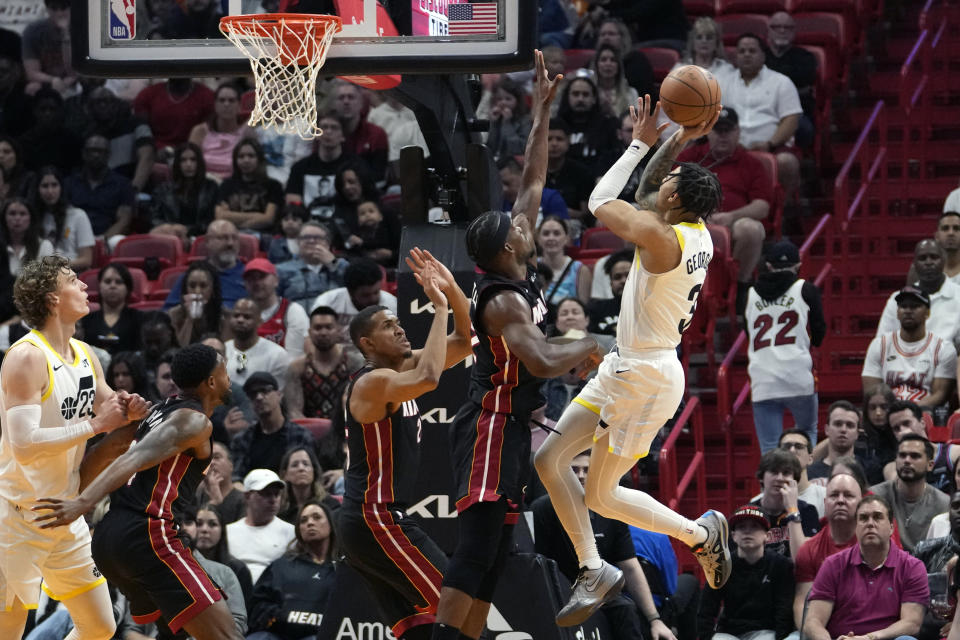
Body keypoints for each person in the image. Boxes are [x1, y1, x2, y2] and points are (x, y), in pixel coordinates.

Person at [533, 94, 730, 627]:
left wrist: (640, 143)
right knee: (549, 461)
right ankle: (593, 567)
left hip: (645, 375)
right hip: (626, 366)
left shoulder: (662, 239)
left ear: (674, 198)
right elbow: (649, 192)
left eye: (670, 181)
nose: (660, 184)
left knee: (600, 492)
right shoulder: (691, 230)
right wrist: (678, 138)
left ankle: (699, 533)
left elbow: (602, 201)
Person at [433, 51, 605, 640]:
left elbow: (533, 180)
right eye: (520, 228)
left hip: (512, 426)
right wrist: (594, 339)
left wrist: (541, 111)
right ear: (508, 251)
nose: (527, 222)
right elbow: (540, 358)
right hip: (489, 423)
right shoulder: (503, 299)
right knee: (478, 544)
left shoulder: (515, 256)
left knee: (499, 548)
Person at [32, 343, 239, 639]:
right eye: (225, 372)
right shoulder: (193, 421)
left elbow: (107, 449)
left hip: (109, 539)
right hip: (149, 535)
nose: (229, 378)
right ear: (210, 382)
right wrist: (80, 503)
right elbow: (132, 458)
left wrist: (72, 492)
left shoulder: (154, 412)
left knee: (174, 634)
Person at [0, 255, 148, 639]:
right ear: (52, 298)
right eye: (73, 280)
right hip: (16, 518)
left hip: (64, 514)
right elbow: (25, 445)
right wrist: (98, 425)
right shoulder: (27, 357)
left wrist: (129, 408)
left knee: (100, 627)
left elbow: (108, 406)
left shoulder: (84, 355)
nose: (85, 286)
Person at [340, 246, 472, 640]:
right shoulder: (372, 381)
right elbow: (431, 378)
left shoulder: (402, 368)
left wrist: (452, 291)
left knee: (418, 630)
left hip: (372, 518)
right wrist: (438, 308)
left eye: (398, 322)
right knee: (456, 608)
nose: (399, 328)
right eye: (388, 326)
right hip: (374, 516)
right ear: (366, 344)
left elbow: (466, 342)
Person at [532, 451, 679, 640]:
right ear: (563, 473)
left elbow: (631, 568)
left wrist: (655, 619)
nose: (581, 475)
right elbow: (538, 564)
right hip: (557, 590)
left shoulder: (611, 511)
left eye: (586, 470)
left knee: (626, 608)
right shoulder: (542, 509)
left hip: (600, 593)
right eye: (574, 470)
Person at [675, 107, 771, 296]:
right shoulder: (688, 158)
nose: (723, 136)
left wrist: (731, 216)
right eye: (718, 131)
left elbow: (763, 206)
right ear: (707, 132)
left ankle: (740, 288)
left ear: (738, 132)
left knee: (751, 229)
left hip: (733, 222)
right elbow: (669, 193)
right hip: (691, 221)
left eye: (728, 131)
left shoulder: (751, 163)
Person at [804, 496, 928, 640]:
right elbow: (813, 622)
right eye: (863, 518)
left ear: (891, 528)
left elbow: (912, 623)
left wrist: (869, 638)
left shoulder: (912, 567)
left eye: (877, 517)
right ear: (856, 528)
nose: (870, 523)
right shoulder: (833, 565)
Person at [745, 240, 826, 452]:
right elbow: (819, 331)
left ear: (768, 265)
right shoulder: (806, 289)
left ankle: (772, 484)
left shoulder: (749, 294)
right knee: (807, 432)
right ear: (798, 265)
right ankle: (806, 481)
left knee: (770, 447)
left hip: (762, 377)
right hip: (797, 374)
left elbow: (749, 333)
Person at [718, 33, 803, 212]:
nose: (747, 54)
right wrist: (731, 143)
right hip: (731, 147)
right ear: (735, 56)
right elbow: (715, 118)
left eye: (752, 50)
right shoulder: (723, 83)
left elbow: (791, 119)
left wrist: (770, 143)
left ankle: (783, 212)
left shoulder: (781, 82)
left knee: (787, 161)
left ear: (763, 55)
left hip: (773, 147)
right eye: (742, 51)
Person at [697, 505, 795, 640]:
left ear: (767, 535)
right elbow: (706, 611)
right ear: (734, 536)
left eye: (754, 526)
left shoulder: (781, 565)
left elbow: (784, 612)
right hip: (729, 633)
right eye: (742, 527)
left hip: (766, 632)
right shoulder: (720, 565)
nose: (747, 532)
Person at [246, 501, 337, 640]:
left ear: (331, 524)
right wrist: (278, 617)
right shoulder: (280, 566)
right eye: (303, 520)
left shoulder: (342, 570)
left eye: (317, 517)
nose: (310, 523)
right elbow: (257, 607)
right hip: (278, 634)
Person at [792, 470, 865, 631]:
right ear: (825, 503)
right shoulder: (809, 549)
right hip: (819, 629)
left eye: (848, 495)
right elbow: (802, 602)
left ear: (861, 503)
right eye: (834, 496)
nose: (840, 501)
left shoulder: (872, 544)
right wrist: (810, 634)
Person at [863, 285, 957, 408]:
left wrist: (908, 411)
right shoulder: (879, 345)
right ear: (897, 312)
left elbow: (939, 395)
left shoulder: (943, 348)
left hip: (926, 415)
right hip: (887, 415)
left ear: (927, 313)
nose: (908, 310)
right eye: (903, 306)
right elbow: (871, 392)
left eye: (914, 306)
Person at [870, 434, 950, 553]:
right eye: (902, 455)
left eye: (915, 456)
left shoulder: (943, 503)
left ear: (930, 465)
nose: (907, 460)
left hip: (926, 569)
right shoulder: (874, 496)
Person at [285, 305, 364, 420]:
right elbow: (295, 413)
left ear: (338, 330)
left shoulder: (354, 363)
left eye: (328, 327)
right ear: (310, 332)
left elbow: (359, 406)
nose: (323, 333)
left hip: (346, 430)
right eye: (318, 328)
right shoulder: (297, 368)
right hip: (310, 433)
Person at [877, 239, 960, 349]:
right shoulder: (896, 300)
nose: (928, 262)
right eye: (922, 258)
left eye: (934, 257)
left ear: (943, 261)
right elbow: (882, 346)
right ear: (914, 264)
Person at [229, 372, 312, 480]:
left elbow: (308, 474)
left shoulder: (300, 435)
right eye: (253, 394)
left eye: (265, 390)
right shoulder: (242, 439)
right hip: (253, 493)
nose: (259, 397)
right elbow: (237, 477)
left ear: (279, 395)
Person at [227, 469, 296, 584]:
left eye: (277, 494)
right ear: (247, 496)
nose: (273, 500)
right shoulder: (228, 532)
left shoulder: (291, 532)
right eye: (266, 494)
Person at [750, 449, 821, 559]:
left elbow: (805, 559)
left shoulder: (807, 510)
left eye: (786, 473)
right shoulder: (748, 514)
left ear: (795, 480)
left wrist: (792, 510)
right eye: (774, 472)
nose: (779, 478)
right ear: (761, 477)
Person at [63, 133, 135, 241]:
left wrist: (103, 239)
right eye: (92, 150)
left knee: (116, 242)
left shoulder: (123, 184)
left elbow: (124, 221)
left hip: (107, 237)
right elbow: (64, 216)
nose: (96, 155)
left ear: (108, 155)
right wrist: (69, 237)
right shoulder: (69, 183)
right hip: (73, 235)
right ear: (84, 154)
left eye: (100, 151)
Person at [242, 258, 309, 359]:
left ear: (276, 281)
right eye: (251, 278)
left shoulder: (292, 311)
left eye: (262, 277)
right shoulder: (239, 313)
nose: (257, 283)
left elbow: (295, 357)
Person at [214, 137, 285, 233]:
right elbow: (220, 216)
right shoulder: (226, 185)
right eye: (241, 156)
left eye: (251, 156)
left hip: (263, 236)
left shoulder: (273, 186)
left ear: (259, 159)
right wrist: (257, 216)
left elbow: (268, 219)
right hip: (232, 235)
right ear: (235, 160)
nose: (246, 160)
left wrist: (231, 216)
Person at [150, 142, 220, 238]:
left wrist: (187, 230)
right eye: (183, 160)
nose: (188, 164)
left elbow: (213, 220)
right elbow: (154, 218)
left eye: (193, 160)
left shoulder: (211, 187)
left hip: (202, 237)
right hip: (170, 237)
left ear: (199, 162)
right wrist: (171, 229)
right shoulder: (163, 189)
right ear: (177, 163)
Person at [276, 221, 350, 312]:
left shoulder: (341, 266)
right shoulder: (281, 270)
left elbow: (356, 287)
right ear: (298, 242)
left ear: (328, 243)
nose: (311, 241)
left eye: (318, 238)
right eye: (306, 237)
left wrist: (333, 263)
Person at [31, 166, 95, 272]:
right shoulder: (31, 217)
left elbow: (86, 260)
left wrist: (54, 266)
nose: (50, 191)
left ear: (61, 187)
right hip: (40, 275)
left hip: (71, 274)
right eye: (45, 186)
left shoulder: (78, 215)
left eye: (54, 185)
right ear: (37, 189)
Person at [310, 257, 397, 334]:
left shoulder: (392, 304)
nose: (373, 298)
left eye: (376, 292)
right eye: (365, 295)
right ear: (350, 292)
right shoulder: (327, 302)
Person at [224, 299, 293, 390]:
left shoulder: (277, 354)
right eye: (236, 316)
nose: (240, 320)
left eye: (247, 317)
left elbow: (277, 396)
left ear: (259, 322)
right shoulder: (222, 351)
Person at [188, 83, 250, 181]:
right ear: (215, 105)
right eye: (222, 100)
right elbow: (190, 162)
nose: (226, 104)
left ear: (239, 105)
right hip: (204, 184)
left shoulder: (247, 132)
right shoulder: (200, 131)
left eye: (231, 100)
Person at [193, 503, 254, 602]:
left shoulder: (238, 569)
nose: (204, 529)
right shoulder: (180, 566)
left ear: (222, 530)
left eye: (212, 524)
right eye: (199, 524)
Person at [168, 260, 232, 347]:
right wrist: (189, 319)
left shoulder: (226, 316)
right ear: (185, 289)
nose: (197, 291)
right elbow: (178, 352)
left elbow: (225, 351)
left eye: (203, 286)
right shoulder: (174, 314)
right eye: (192, 286)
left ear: (212, 289)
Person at [538, 216, 592, 308]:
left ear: (566, 238)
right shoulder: (530, 267)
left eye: (557, 233)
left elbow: (583, 309)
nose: (551, 238)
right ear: (538, 239)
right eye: (546, 234)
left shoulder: (581, 270)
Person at [277, 446, 336, 524]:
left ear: (314, 472)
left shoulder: (330, 505)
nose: (301, 468)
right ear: (285, 475)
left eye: (306, 464)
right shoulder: (279, 509)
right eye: (295, 465)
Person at [777, 429, 826, 517]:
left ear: (810, 459)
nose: (792, 450)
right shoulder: (761, 501)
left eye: (799, 446)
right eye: (786, 446)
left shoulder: (825, 497)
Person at [197, 441, 246, 525]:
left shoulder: (243, 500)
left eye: (217, 457)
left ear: (231, 465)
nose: (211, 463)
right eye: (207, 459)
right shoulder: (198, 496)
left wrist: (217, 503)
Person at [2, 197, 54, 276]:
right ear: (4, 218)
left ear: (31, 219)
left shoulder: (44, 246)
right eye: (12, 213)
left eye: (22, 214)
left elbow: (48, 281)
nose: (17, 218)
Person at [586, 247, 633, 332]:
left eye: (628, 276)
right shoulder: (595, 310)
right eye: (617, 277)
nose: (623, 281)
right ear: (610, 283)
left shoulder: (653, 310)